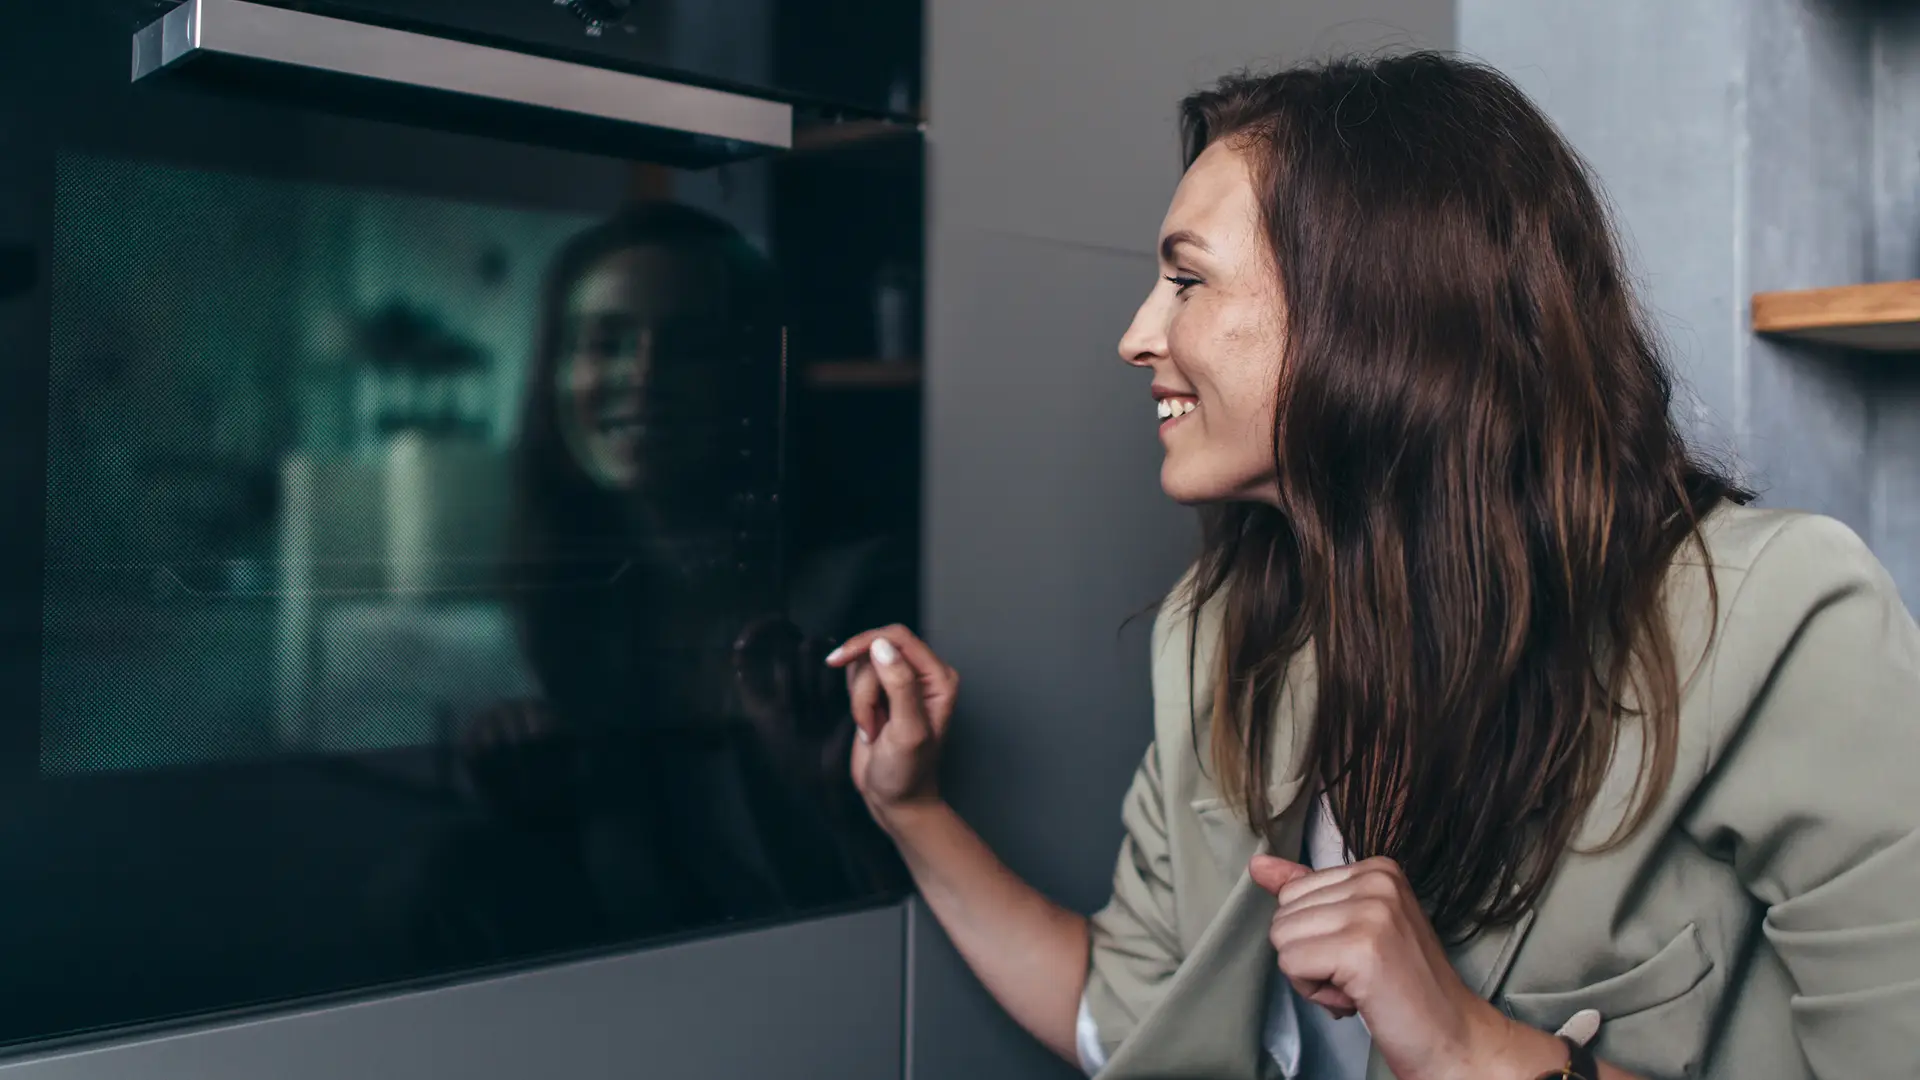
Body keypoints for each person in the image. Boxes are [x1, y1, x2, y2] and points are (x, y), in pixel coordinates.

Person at [826, 53, 1920, 1080]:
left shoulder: (1777, 621)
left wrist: (1466, 1044)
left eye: (1188, 281)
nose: (1138, 334)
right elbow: (1133, 1019)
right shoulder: (1218, 635)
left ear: (1371, 311)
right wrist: (912, 811)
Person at [397, 202, 908, 966]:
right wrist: (540, 802)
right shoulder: (589, 603)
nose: (640, 379)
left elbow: (915, 914)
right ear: (555, 375)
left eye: (689, 349)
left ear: (753, 379)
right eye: (605, 343)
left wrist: (837, 795)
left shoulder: (859, 602)